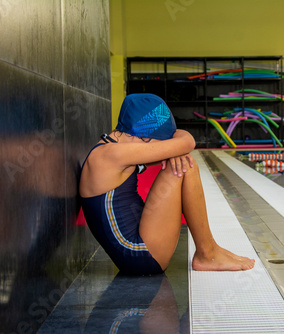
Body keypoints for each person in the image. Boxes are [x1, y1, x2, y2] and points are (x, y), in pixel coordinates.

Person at [79, 93, 255, 275]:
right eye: (160, 142)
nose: (163, 147)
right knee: (184, 165)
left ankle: (210, 250)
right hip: (139, 255)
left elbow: (181, 144)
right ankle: (207, 254)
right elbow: (187, 142)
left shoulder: (112, 145)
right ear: (142, 137)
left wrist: (175, 149)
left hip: (139, 241)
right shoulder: (112, 155)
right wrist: (177, 149)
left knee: (180, 160)